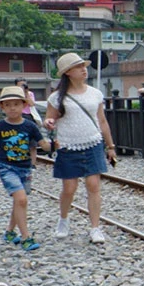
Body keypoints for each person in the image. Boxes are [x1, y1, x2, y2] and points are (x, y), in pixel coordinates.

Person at [43, 53, 118, 244]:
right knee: (69, 188)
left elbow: (102, 121)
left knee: (93, 186)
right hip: (68, 145)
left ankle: (95, 227)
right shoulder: (56, 98)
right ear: (67, 72)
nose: (83, 69)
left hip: (92, 143)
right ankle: (63, 219)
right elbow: (49, 118)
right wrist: (49, 123)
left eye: (83, 66)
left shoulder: (95, 94)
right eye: (78, 67)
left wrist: (110, 146)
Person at [0, 86, 50, 251]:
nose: (12, 108)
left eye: (16, 104)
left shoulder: (30, 126)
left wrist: (53, 144)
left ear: (23, 105)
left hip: (25, 169)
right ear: (2, 107)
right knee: (21, 199)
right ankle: (26, 237)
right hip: (6, 167)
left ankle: (10, 232)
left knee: (19, 201)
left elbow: (43, 144)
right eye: (8, 105)